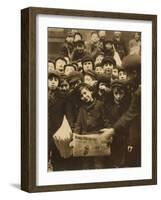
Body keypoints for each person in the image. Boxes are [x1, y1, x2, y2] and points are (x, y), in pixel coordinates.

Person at [100, 54, 141, 167]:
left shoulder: (140, 91)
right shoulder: (139, 82)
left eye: (126, 75)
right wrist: (110, 90)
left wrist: (112, 130)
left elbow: (130, 114)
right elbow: (124, 84)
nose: (126, 78)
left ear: (134, 73)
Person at [73, 83, 108, 169]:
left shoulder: (100, 105)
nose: (84, 97)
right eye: (81, 96)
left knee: (99, 164)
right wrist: (74, 138)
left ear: (91, 91)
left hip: (98, 139)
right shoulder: (81, 109)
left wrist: (108, 134)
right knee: (86, 165)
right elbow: (78, 125)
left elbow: (106, 120)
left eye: (85, 93)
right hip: (85, 140)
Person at [104, 79, 130, 167]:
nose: (118, 96)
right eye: (116, 94)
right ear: (112, 93)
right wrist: (109, 128)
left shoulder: (128, 106)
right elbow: (106, 118)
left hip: (124, 137)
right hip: (112, 137)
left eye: (121, 93)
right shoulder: (108, 105)